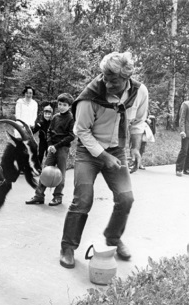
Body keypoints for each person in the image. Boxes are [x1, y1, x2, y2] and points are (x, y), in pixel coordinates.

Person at [59, 51, 149, 269]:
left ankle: (113, 238)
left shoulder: (139, 92)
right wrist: (103, 156)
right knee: (83, 199)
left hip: (116, 150)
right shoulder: (90, 96)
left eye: (114, 80)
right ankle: (68, 247)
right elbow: (81, 130)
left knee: (126, 199)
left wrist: (135, 149)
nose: (107, 84)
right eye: (105, 78)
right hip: (88, 152)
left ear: (127, 77)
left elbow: (138, 122)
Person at [26, 94, 75, 206]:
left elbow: (71, 136)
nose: (62, 107)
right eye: (60, 104)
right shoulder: (55, 117)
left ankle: (58, 196)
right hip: (52, 148)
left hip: (62, 148)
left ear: (69, 106)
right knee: (45, 172)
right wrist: (49, 144)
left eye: (65, 105)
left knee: (60, 173)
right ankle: (39, 196)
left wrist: (56, 146)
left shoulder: (71, 119)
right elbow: (49, 131)